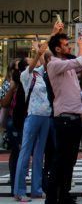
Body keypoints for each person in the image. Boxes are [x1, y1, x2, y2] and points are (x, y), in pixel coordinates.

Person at [46, 27, 82, 204]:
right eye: (65, 45)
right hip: (63, 119)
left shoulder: (69, 65)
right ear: (57, 49)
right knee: (60, 159)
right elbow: (80, 60)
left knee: (70, 160)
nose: (68, 47)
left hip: (74, 119)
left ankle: (64, 194)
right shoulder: (54, 64)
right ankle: (52, 197)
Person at [14, 43, 51, 202]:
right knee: (25, 153)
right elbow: (39, 58)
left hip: (46, 116)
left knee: (38, 155)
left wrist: (52, 34)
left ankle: (36, 189)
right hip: (33, 115)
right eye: (30, 59)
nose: (33, 60)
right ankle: (20, 191)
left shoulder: (41, 73)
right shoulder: (25, 75)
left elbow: (46, 63)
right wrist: (38, 53)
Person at [1, 58, 27, 199]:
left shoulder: (26, 82)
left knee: (22, 153)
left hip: (25, 120)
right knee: (17, 153)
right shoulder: (8, 84)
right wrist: (12, 88)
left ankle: (18, 183)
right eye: (17, 68)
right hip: (13, 122)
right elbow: (4, 103)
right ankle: (15, 186)